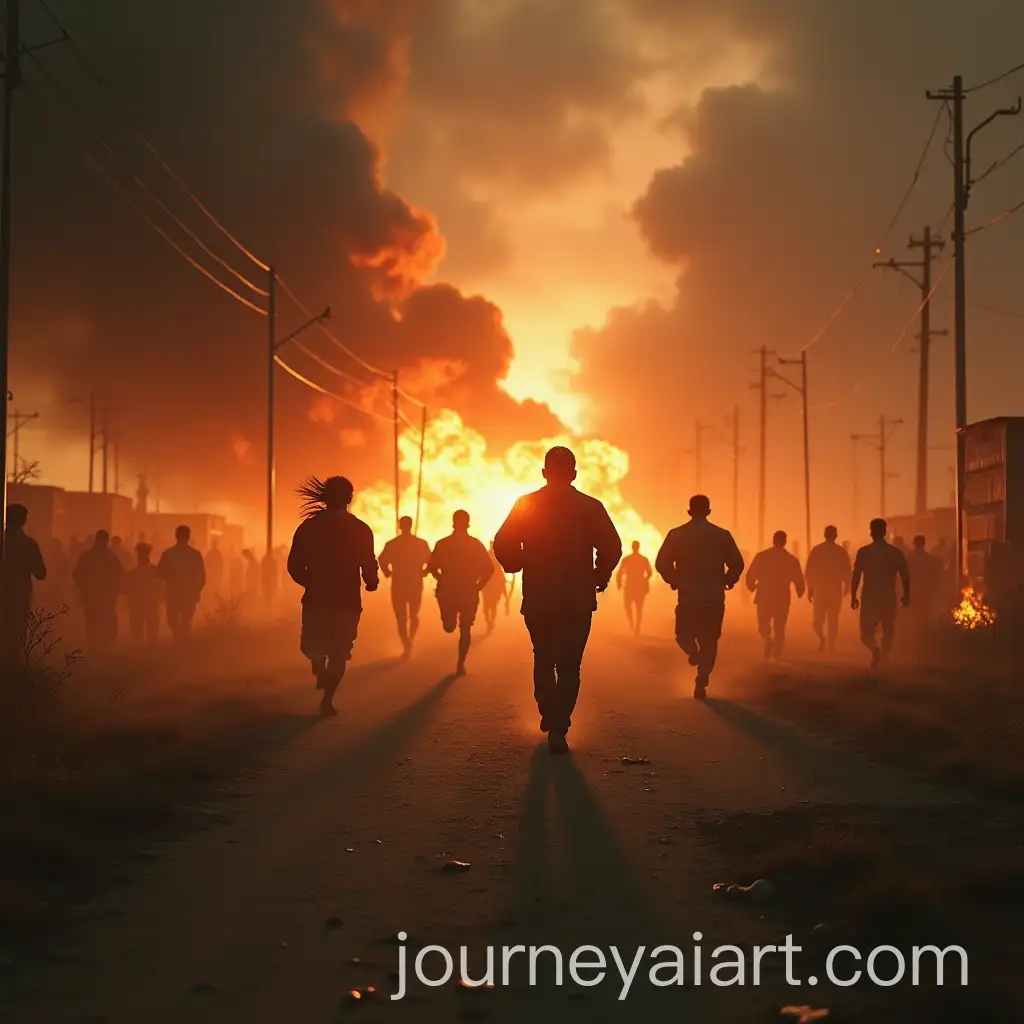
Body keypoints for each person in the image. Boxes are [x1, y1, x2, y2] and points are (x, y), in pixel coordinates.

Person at [495, 446, 622, 754]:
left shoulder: (526, 505)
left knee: (543, 657)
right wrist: (599, 575)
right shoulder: (590, 507)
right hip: (577, 599)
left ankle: (549, 713)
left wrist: (516, 562)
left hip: (539, 598)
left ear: (544, 473)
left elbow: (503, 543)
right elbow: (612, 547)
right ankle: (559, 726)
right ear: (574, 474)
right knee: (569, 666)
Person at [287, 475, 378, 716]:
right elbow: (368, 563)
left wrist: (311, 583)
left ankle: (317, 663)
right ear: (349, 498)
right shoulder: (360, 528)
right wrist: (371, 582)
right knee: (340, 652)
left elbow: (294, 565)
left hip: (316, 599)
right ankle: (328, 700)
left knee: (312, 645)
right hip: (347, 601)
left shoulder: (309, 527)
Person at [655, 494, 743, 699]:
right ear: (709, 511)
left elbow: (662, 563)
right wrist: (728, 580)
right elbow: (737, 563)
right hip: (713, 598)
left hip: (688, 598)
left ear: (689, 511)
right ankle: (702, 678)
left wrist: (674, 580)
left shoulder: (677, 535)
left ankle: (693, 653)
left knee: (683, 635)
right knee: (710, 640)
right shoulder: (722, 535)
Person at [426, 510, 494, 676]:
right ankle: (461, 661)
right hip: (458, 591)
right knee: (457, 628)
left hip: (459, 591)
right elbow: (432, 567)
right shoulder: (468, 544)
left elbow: (432, 567)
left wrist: (441, 579)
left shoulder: (445, 544)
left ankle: (460, 663)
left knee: (464, 628)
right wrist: (479, 585)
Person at [851, 517, 911, 670]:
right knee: (888, 628)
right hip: (888, 595)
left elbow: (856, 575)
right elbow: (905, 574)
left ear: (871, 533)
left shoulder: (864, 552)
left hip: (870, 596)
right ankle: (885, 656)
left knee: (866, 633)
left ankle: (875, 650)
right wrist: (907, 594)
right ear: (885, 533)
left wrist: (853, 596)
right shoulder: (895, 553)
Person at [746, 530, 805, 659]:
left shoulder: (762, 556)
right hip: (782, 597)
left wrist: (752, 586)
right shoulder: (791, 559)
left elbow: (750, 574)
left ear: (773, 540)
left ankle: (768, 640)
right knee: (780, 626)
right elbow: (799, 579)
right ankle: (776, 652)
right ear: (784, 542)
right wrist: (800, 590)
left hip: (764, 596)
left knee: (763, 626)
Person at [0, 504, 47, 664]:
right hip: (19, 593)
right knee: (17, 632)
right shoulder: (28, 544)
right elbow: (41, 573)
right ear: (23, 520)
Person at [378, 515, 432, 654]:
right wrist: (425, 571)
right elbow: (431, 561)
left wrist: (387, 572)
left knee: (402, 618)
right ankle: (409, 642)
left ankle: (408, 642)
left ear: (400, 526)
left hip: (400, 584)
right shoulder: (420, 543)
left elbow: (382, 559)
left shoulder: (393, 544)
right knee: (412, 616)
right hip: (412, 583)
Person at [73, 530, 123, 653]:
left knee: (93, 622)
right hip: (105, 596)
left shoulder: (87, 556)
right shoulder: (111, 557)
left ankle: (95, 648)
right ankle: (100, 647)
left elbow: (77, 574)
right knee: (107, 623)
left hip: (93, 596)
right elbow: (120, 573)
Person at [805, 525, 852, 652]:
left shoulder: (819, 550)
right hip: (827, 589)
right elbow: (847, 570)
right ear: (835, 535)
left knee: (822, 620)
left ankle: (828, 642)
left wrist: (810, 588)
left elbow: (809, 570)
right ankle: (825, 640)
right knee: (830, 619)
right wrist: (847, 585)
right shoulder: (838, 551)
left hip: (826, 589)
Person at [157, 525, 206, 643]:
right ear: (188, 537)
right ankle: (184, 643)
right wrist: (197, 590)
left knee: (173, 621)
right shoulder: (195, 554)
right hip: (188, 594)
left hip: (173, 593)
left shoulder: (168, 554)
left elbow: (160, 573)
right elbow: (202, 576)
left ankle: (178, 640)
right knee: (186, 621)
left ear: (176, 536)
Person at [123, 542, 163, 645]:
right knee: (152, 632)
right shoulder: (155, 571)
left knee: (137, 633)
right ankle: (152, 654)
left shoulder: (133, 573)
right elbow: (161, 587)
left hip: (137, 605)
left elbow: (126, 588)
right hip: (151, 604)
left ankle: (139, 654)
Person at [905, 535, 938, 646]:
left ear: (914, 544)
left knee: (914, 613)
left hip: (913, 589)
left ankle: (915, 636)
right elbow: (935, 576)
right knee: (925, 612)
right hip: (925, 589)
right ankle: (925, 635)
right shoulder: (929, 559)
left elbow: (904, 575)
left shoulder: (910, 558)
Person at [616, 540, 652, 636]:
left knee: (637, 608)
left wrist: (619, 582)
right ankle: (633, 622)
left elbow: (649, 572)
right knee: (631, 607)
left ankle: (636, 626)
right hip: (633, 586)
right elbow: (620, 572)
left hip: (634, 586)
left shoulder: (641, 559)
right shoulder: (629, 559)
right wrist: (619, 582)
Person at [481, 541, 507, 633]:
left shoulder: (497, 555)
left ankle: (490, 621)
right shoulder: (487, 555)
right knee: (489, 607)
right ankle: (490, 621)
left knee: (490, 606)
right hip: (488, 583)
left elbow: (501, 569)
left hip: (492, 583)